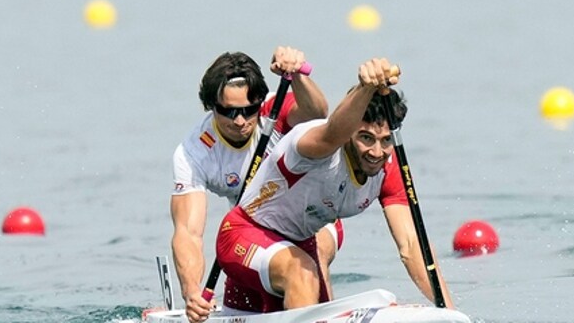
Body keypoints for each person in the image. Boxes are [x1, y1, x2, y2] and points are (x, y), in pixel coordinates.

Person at [214, 58, 455, 313]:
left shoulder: (389, 168)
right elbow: (334, 129)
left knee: (309, 291)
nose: (376, 152)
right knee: (303, 272)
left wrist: (450, 313)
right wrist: (365, 87)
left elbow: (411, 246)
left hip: (297, 248)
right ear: (350, 132)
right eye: (366, 138)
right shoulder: (317, 145)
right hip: (244, 235)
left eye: (385, 141)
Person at [171, 46, 341, 323]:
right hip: (254, 231)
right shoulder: (194, 153)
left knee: (309, 258)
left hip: (312, 218)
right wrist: (192, 292)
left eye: (249, 110)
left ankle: (327, 312)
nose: (240, 121)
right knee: (246, 303)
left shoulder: (276, 110)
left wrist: (297, 75)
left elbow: (317, 113)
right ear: (211, 106)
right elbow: (188, 232)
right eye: (228, 112)